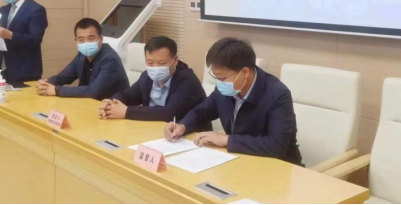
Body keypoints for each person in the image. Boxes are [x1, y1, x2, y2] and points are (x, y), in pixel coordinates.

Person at [164, 37, 303, 166]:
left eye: (222, 78)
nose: (219, 83)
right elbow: (200, 112)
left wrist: (227, 140)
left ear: (245, 73)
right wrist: (182, 126)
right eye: (216, 77)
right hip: (239, 159)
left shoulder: (277, 94)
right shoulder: (226, 89)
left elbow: (276, 146)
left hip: (278, 167)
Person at [99, 36, 209, 129]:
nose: (155, 68)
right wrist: (112, 103)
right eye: (150, 63)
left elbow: (169, 113)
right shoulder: (147, 76)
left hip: (187, 136)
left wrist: (127, 111)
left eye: (161, 63)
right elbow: (128, 95)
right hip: (152, 130)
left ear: (175, 60)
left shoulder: (188, 81)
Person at [37, 18, 129, 100]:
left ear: (101, 38)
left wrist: (56, 90)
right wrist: (46, 83)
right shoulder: (81, 55)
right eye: (81, 40)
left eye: (91, 38)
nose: (86, 43)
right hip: (88, 104)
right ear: (76, 41)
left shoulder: (110, 59)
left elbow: (93, 91)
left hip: (112, 108)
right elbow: (63, 77)